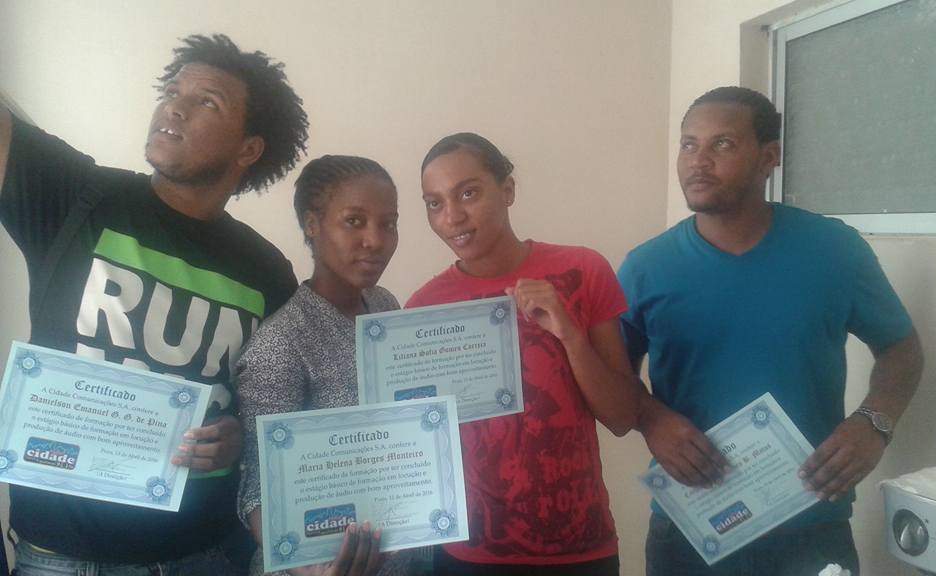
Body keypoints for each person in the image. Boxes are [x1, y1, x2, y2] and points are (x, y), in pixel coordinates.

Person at [0, 34, 308, 574]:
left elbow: (270, 409)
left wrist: (237, 436)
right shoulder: (76, 195)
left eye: (206, 101)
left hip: (201, 554)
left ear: (248, 149)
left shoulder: (267, 272)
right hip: (63, 555)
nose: (175, 107)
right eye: (172, 91)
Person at [619, 86, 924, 576]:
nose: (698, 161)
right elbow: (612, 377)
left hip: (812, 520)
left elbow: (900, 347)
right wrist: (652, 419)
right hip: (692, 527)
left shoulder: (833, 250)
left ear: (769, 157)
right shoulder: (646, 268)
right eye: (689, 144)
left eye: (722, 144)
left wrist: (874, 422)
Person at [407, 132, 641, 575]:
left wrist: (570, 335)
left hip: (580, 549)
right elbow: (418, 447)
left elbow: (623, 416)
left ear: (508, 190)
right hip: (470, 555)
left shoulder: (582, 270)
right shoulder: (423, 309)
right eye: (434, 203)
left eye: (468, 193)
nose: (452, 216)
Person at [235, 155, 412, 576]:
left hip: (394, 553)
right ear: (313, 225)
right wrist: (310, 569)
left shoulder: (384, 305)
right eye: (354, 221)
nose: (375, 240)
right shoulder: (282, 342)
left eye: (388, 223)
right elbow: (257, 487)